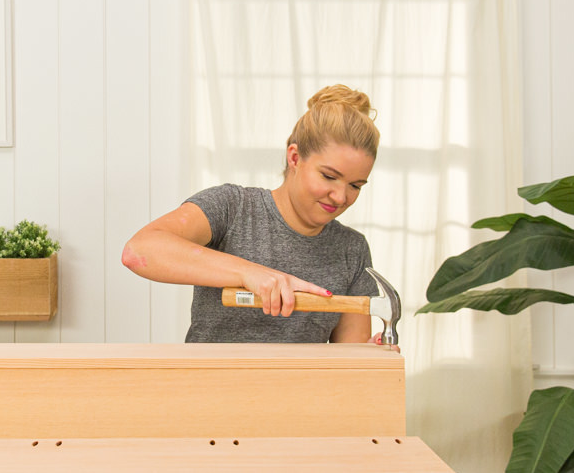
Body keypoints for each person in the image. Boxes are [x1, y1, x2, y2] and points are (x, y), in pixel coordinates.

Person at [122, 84, 385, 345]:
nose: (340, 197)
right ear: (295, 158)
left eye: (355, 185)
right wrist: (249, 273)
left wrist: (369, 357)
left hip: (300, 389)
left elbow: (349, 360)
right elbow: (140, 251)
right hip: (208, 386)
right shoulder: (231, 208)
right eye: (329, 176)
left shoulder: (351, 249)